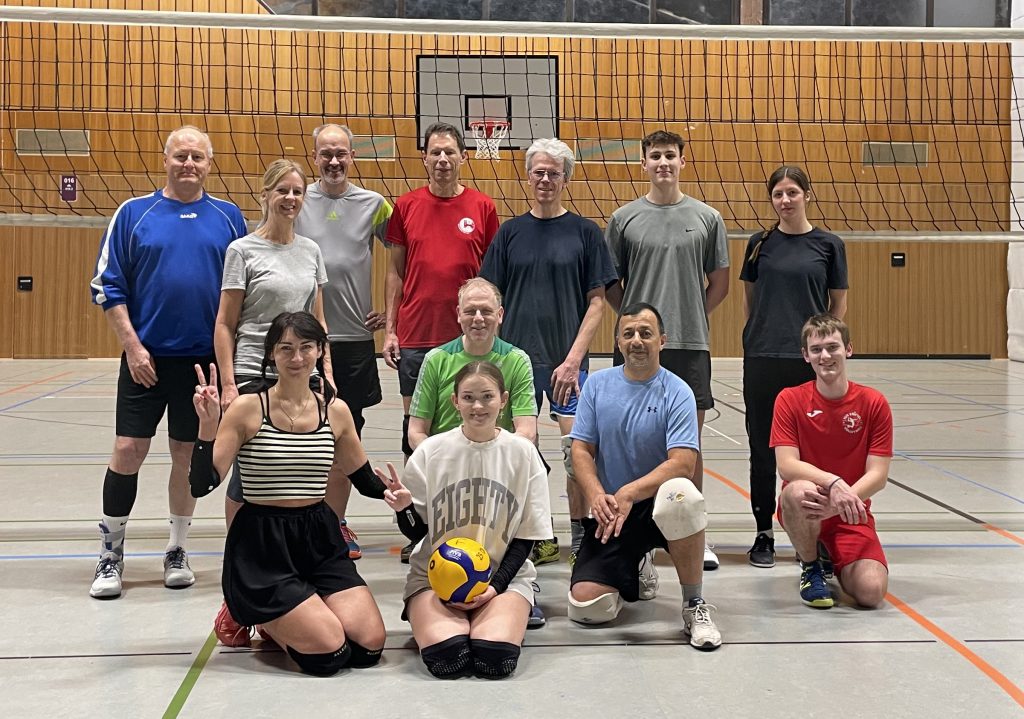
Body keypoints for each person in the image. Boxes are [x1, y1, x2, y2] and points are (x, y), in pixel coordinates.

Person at [88, 125, 247, 599]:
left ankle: (177, 550)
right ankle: (111, 553)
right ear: (165, 160)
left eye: (197, 157)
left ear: (209, 164)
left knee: (185, 455)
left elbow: (244, 289)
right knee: (127, 450)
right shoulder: (134, 213)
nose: (189, 164)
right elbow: (107, 286)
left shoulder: (229, 217)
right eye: (181, 156)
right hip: (146, 359)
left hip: (202, 364)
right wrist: (133, 347)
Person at [189, 311, 389, 676]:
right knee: (329, 654)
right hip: (263, 546)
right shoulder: (247, 408)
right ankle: (258, 615)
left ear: (320, 351)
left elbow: (363, 479)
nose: (297, 358)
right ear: (271, 354)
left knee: (368, 647)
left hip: (319, 540)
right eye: (286, 348)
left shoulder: (336, 411)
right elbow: (202, 485)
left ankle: (301, 607)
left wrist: (401, 494)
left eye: (306, 347)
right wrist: (206, 428)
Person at [479, 138, 617, 568]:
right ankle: (533, 536)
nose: (544, 179)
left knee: (577, 453)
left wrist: (573, 360)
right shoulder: (510, 233)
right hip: (515, 364)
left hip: (567, 364)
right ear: (528, 176)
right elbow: (489, 296)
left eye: (553, 173)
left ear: (565, 179)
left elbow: (598, 302)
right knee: (517, 451)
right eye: (538, 172)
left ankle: (580, 538)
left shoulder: (585, 232)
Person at [376, 361, 551, 679]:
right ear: (455, 401)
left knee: (495, 660)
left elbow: (526, 538)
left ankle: (497, 614)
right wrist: (404, 509)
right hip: (433, 580)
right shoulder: (430, 451)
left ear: (503, 399)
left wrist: (495, 588)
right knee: (448, 659)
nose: (478, 406)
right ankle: (436, 616)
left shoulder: (523, 454)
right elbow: (418, 534)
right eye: (468, 397)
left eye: (487, 396)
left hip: (502, 579)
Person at [604, 130, 730, 571]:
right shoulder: (623, 219)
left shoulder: (708, 218)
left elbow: (719, 284)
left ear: (682, 162)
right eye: (655, 155)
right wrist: (638, 329)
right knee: (628, 440)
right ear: (643, 163)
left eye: (670, 155)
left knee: (688, 445)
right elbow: (611, 284)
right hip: (635, 347)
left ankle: (694, 533)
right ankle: (631, 538)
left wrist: (685, 318)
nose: (663, 162)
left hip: (690, 345)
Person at [567, 304, 722, 651]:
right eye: (628, 334)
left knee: (683, 494)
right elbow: (581, 450)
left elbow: (683, 463)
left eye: (645, 333)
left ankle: (694, 603)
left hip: (660, 506)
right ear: (618, 342)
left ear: (661, 341)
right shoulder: (597, 386)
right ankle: (636, 565)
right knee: (588, 608)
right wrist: (597, 495)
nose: (637, 340)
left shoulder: (678, 391)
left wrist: (630, 492)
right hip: (615, 512)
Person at [406, 279, 544, 634]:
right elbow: (416, 431)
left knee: (531, 466)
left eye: (486, 311)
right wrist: (447, 460)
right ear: (458, 315)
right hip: (449, 468)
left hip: (499, 465)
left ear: (500, 315)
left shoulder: (516, 359)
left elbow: (526, 430)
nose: (478, 318)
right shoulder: (437, 360)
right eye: (470, 311)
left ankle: (515, 581)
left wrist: (495, 458)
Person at [741, 166, 848, 568]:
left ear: (807, 194)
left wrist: (823, 351)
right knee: (762, 448)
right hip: (764, 358)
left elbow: (837, 304)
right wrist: (758, 335)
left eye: (792, 193)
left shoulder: (829, 245)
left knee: (813, 451)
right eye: (778, 194)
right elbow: (750, 299)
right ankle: (763, 533)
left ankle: (815, 534)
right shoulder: (758, 244)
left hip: (808, 362)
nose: (785, 200)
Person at [296, 123, 394, 560]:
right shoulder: (296, 198)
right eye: (326, 153)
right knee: (298, 439)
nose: (333, 161)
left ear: (353, 156)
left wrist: (391, 313)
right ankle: (299, 521)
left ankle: (334, 524)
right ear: (314, 156)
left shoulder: (374, 204)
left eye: (341, 153)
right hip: (301, 342)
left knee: (342, 436)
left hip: (353, 341)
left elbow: (406, 256)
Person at [383, 122, 498, 461]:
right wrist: (390, 331)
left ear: (463, 157)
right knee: (415, 427)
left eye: (449, 152)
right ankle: (415, 495)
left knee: (471, 423)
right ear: (425, 158)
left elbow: (492, 278)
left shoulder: (483, 207)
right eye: (435, 152)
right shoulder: (406, 205)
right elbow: (395, 272)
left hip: (469, 337)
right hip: (416, 334)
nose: (442, 159)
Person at [773, 314, 892, 610]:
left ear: (848, 349)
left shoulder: (874, 403)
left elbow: (878, 475)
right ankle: (811, 565)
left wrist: (840, 503)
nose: (825, 356)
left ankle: (833, 554)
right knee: (796, 490)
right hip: (809, 505)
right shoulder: (789, 399)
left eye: (832, 347)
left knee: (871, 592)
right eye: (816, 350)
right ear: (806, 356)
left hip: (850, 511)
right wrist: (833, 483)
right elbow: (787, 465)